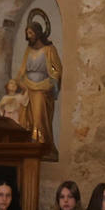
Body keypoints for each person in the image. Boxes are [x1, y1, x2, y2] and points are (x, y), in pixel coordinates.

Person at [13, 21, 63, 155]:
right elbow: (23, 69)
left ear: (38, 33)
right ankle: (28, 144)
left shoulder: (49, 49)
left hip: (42, 89)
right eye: (27, 33)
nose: (29, 36)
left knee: (39, 117)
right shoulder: (28, 50)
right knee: (26, 118)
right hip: (28, 88)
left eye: (31, 33)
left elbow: (56, 69)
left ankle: (42, 144)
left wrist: (52, 83)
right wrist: (18, 82)